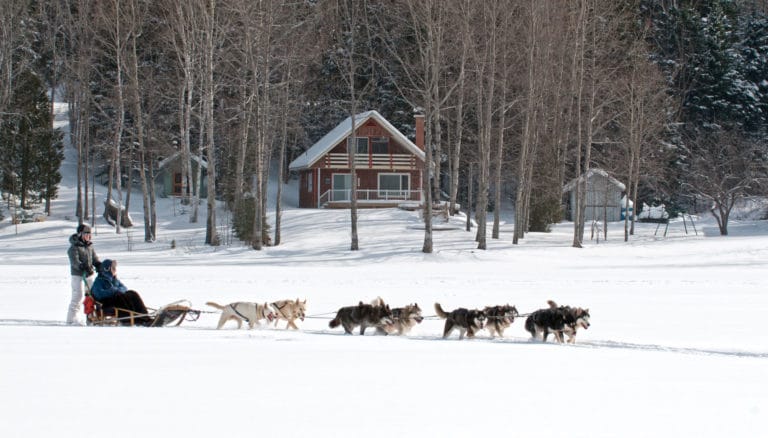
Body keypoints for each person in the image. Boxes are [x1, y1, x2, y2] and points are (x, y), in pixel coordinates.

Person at [90, 259, 152, 326]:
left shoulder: (114, 280)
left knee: (132, 293)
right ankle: (129, 320)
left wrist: (117, 291)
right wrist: (113, 291)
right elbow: (98, 294)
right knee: (120, 297)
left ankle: (145, 318)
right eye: (113, 268)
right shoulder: (99, 281)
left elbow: (124, 288)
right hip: (105, 304)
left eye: (115, 268)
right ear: (107, 269)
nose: (115, 270)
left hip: (116, 299)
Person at [66, 223, 101, 325]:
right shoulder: (74, 247)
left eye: (90, 234)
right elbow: (75, 262)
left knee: (91, 296)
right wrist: (82, 266)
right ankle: (71, 319)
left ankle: (90, 318)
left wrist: (98, 264)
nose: (88, 236)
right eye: (86, 234)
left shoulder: (90, 246)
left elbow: (94, 258)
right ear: (80, 234)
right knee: (78, 296)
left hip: (89, 274)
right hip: (78, 275)